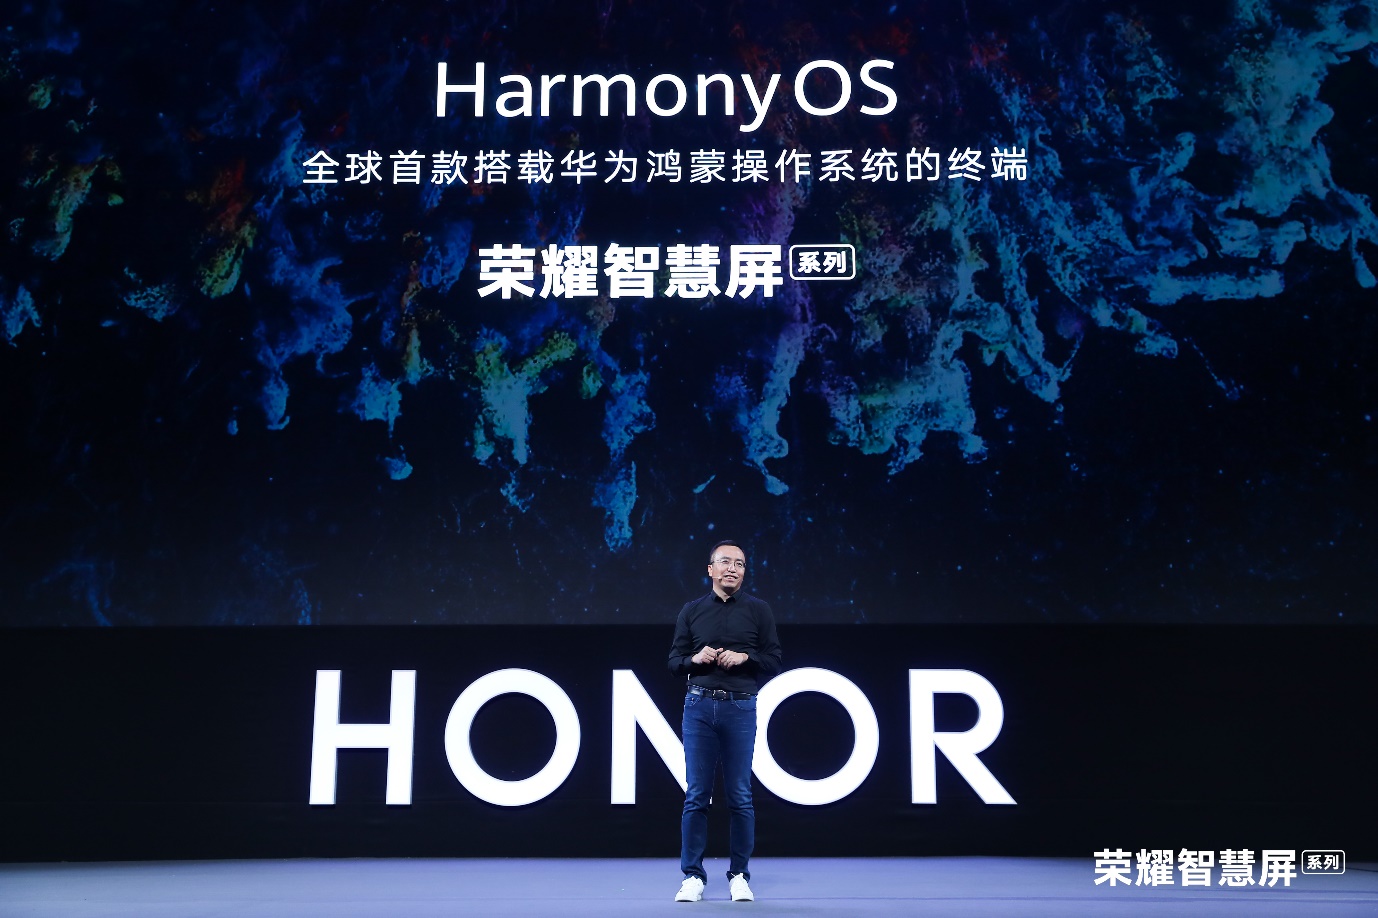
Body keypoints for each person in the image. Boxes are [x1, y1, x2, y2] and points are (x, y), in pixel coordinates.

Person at [667, 539, 782, 903]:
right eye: (726, 562)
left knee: (740, 795)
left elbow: (774, 659)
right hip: (698, 707)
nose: (733, 568)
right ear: (710, 569)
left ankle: (740, 875)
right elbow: (674, 662)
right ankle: (692, 876)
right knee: (697, 795)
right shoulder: (692, 610)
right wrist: (695, 659)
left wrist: (746, 658)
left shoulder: (759, 610)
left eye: (740, 564)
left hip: (740, 708)